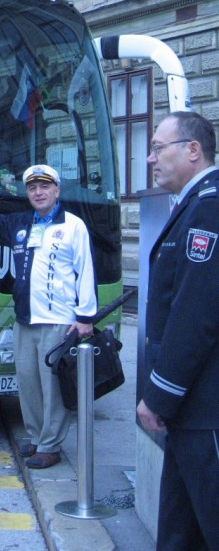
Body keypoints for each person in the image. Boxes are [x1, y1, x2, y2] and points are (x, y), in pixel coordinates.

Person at [0, 162, 97, 469]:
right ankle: (35, 436)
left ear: (56, 191)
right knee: (29, 384)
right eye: (32, 188)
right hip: (25, 319)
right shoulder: (20, 223)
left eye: (44, 187)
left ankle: (50, 445)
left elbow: (85, 271)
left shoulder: (73, 226)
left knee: (53, 388)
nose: (38, 192)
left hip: (58, 321)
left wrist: (85, 317)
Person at [136, 111, 219, 550]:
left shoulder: (209, 209)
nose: (150, 158)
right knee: (179, 532)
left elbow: (195, 316)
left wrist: (159, 396)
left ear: (193, 150)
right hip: (189, 409)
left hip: (204, 409)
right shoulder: (193, 204)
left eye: (157, 148)